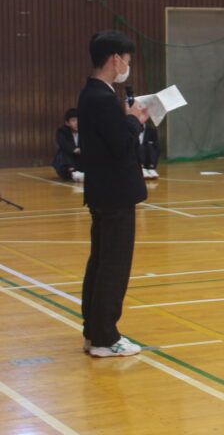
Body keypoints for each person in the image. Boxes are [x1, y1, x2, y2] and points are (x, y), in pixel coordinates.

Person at [77, 30, 150, 357]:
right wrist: (133, 121)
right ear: (115, 59)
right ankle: (105, 337)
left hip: (102, 191)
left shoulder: (90, 93)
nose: (127, 67)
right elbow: (121, 146)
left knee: (100, 261)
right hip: (116, 193)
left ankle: (94, 331)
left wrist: (129, 121)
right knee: (114, 266)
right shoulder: (103, 98)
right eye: (127, 60)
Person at [52, 108, 83, 182]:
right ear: (67, 123)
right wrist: (74, 150)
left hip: (79, 160)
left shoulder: (85, 131)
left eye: (78, 120)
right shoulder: (62, 131)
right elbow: (62, 144)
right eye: (73, 120)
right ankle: (71, 171)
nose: (77, 123)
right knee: (63, 152)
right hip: (66, 162)